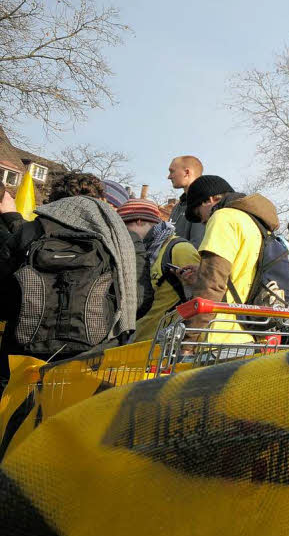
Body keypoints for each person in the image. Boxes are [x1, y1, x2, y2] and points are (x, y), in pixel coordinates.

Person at [0, 172, 137, 379]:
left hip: (22, 351)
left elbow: (3, 290)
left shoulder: (29, 231)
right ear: (100, 200)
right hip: (89, 352)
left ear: (55, 198)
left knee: (13, 407)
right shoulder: (116, 238)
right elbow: (135, 295)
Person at [178, 175, 278, 345]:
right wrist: (202, 270)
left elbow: (211, 286)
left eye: (198, 213)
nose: (202, 221)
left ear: (209, 200)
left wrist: (190, 339)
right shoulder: (254, 223)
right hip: (249, 334)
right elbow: (242, 275)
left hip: (219, 337)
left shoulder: (223, 218)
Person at [117, 198, 199, 342]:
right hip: (139, 343)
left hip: (164, 348)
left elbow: (199, 296)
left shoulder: (179, 249)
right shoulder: (144, 251)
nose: (123, 235)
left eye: (124, 227)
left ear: (139, 221)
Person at [167, 155, 206, 248]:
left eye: (172, 171)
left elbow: (196, 248)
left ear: (187, 172)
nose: (169, 177)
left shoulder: (203, 205)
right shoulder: (177, 207)